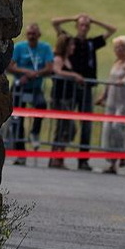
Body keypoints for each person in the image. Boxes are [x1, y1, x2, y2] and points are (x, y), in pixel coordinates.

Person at [51, 13, 117, 171]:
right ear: (76, 26)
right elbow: (55, 22)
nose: (84, 27)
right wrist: (74, 18)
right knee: (65, 123)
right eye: (81, 24)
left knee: (86, 124)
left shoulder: (91, 43)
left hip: (86, 88)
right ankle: (57, 156)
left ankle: (83, 160)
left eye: (87, 25)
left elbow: (112, 30)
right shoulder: (69, 40)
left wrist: (94, 20)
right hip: (70, 88)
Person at [6, 23, 54, 165]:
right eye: (29, 34)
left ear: (39, 35)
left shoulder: (45, 48)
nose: (31, 36)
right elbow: (11, 66)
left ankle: (35, 131)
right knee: (17, 121)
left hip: (35, 87)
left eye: (34, 34)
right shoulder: (20, 47)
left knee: (41, 105)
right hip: (20, 87)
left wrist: (36, 73)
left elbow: (49, 67)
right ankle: (21, 154)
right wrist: (24, 72)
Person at [95, 35, 125, 174]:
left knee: (119, 128)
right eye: (116, 47)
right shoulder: (116, 62)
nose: (118, 50)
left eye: (121, 47)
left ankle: (122, 155)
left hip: (124, 101)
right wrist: (103, 96)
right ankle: (112, 162)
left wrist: (124, 80)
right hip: (112, 101)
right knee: (109, 129)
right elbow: (109, 80)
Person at [49, 34, 85, 169]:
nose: (73, 47)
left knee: (67, 129)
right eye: (71, 45)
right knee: (64, 127)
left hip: (68, 98)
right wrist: (74, 75)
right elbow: (57, 71)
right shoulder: (59, 59)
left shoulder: (69, 60)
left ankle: (59, 156)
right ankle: (55, 157)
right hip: (60, 98)